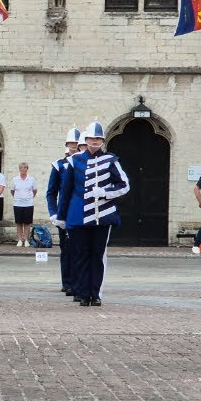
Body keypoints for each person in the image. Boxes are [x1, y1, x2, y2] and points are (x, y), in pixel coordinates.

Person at [57, 120, 130, 307]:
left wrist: (105, 192)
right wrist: (61, 217)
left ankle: (95, 293)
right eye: (92, 138)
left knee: (97, 255)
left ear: (103, 140)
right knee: (81, 255)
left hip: (102, 215)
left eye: (98, 138)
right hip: (78, 215)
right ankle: (83, 294)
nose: (95, 141)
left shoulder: (111, 160)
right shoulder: (75, 161)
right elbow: (66, 191)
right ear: (86, 140)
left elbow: (124, 185)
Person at [46, 128, 81, 295]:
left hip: (80, 211)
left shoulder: (84, 163)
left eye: (77, 143)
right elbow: (51, 192)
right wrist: (54, 213)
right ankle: (67, 282)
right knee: (66, 249)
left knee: (80, 249)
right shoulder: (59, 165)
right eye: (71, 143)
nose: (74, 146)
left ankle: (78, 282)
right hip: (64, 212)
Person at [9, 163, 38, 247]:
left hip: (28, 204)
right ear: (19, 169)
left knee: (27, 223)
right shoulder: (15, 179)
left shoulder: (31, 179)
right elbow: (12, 191)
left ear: (27, 169)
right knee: (19, 222)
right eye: (21, 168)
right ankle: (20, 240)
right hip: (17, 204)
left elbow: (35, 191)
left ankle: (26, 240)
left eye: (25, 168)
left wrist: (29, 198)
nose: (23, 169)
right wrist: (18, 197)